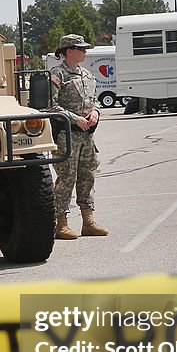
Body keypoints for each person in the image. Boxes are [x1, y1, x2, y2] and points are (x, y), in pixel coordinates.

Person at [48, 34, 109, 240]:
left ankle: (88, 221)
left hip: (87, 137)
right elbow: (50, 106)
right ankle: (61, 223)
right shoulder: (58, 74)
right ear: (68, 51)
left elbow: (95, 101)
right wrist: (74, 119)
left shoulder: (86, 75)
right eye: (80, 48)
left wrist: (96, 113)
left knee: (87, 176)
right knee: (67, 177)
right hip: (67, 135)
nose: (84, 51)